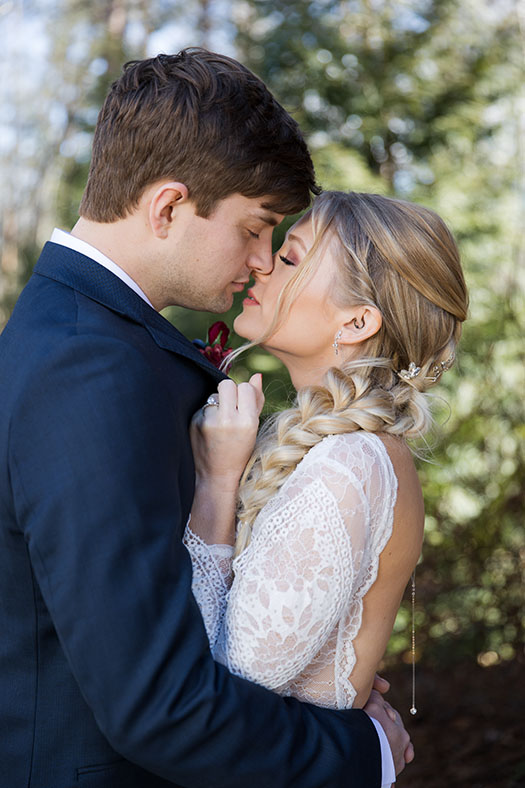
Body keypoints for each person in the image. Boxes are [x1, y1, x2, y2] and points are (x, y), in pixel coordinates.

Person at [0, 51, 411, 788]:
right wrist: (359, 750)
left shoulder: (95, 337)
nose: (262, 260)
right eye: (255, 229)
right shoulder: (85, 369)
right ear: (167, 208)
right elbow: (158, 704)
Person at [186, 191, 468, 716]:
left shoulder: (349, 467)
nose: (262, 264)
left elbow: (219, 685)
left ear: (356, 322)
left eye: (290, 258)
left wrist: (216, 484)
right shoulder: (353, 453)